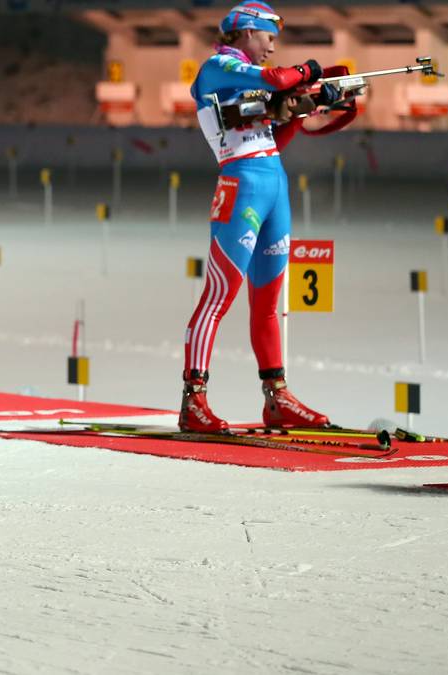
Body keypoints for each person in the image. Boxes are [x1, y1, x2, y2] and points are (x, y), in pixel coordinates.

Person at [182, 3, 352, 432]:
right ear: (246, 33)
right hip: (240, 187)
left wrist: (312, 105)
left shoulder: (254, 88)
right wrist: (311, 71)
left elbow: (276, 135)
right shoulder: (217, 67)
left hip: (272, 185)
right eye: (268, 37)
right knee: (219, 296)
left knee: (267, 305)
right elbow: (278, 78)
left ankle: (277, 398)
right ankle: (193, 400)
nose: (272, 47)